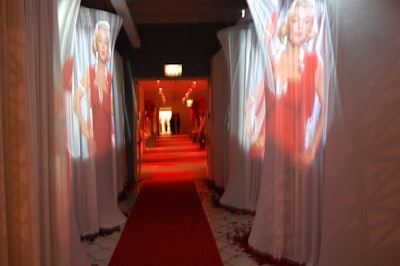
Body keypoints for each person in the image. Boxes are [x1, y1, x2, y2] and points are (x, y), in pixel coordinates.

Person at [246, 0, 325, 263]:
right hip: (275, 151)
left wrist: (313, 148)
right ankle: (281, 246)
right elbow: (263, 103)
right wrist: (254, 127)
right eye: (296, 20)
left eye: (306, 22)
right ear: (288, 23)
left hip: (297, 151)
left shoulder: (315, 62)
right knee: (277, 203)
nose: (300, 27)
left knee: (295, 205)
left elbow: (327, 107)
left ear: (311, 28)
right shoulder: (276, 60)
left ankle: (292, 248)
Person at [73, 20, 126, 232]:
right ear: (95, 45)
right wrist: (86, 130)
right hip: (95, 139)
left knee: (105, 179)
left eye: (107, 42)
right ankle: (95, 215)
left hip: (107, 139)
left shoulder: (111, 76)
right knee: (95, 178)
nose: (105, 47)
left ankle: (105, 210)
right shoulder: (91, 72)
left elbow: (111, 111)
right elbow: (76, 100)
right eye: (101, 42)